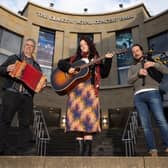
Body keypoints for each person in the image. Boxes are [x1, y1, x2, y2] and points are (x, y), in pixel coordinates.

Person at [57, 36, 113, 156]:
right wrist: (69, 68)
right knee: (78, 124)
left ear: (90, 45)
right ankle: (79, 157)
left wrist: (108, 60)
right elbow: (60, 63)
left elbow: (104, 73)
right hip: (75, 93)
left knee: (88, 124)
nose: (82, 46)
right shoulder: (74, 59)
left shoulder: (96, 59)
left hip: (90, 92)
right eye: (80, 44)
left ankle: (86, 157)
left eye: (85, 44)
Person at [0, 38, 45, 155]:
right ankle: (1, 148)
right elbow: (1, 69)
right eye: (27, 45)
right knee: (5, 120)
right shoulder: (14, 58)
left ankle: (21, 151)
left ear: (33, 49)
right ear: (24, 46)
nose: (29, 47)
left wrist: (42, 84)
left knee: (25, 124)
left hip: (27, 97)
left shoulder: (36, 66)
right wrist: (6, 69)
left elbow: (40, 81)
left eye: (31, 46)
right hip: (12, 93)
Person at [128, 44, 168, 156]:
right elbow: (129, 81)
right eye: (133, 51)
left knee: (161, 120)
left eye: (137, 50)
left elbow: (165, 70)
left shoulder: (151, 60)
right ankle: (152, 149)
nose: (135, 52)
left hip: (153, 92)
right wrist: (138, 73)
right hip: (138, 96)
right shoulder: (132, 67)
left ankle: (167, 146)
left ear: (141, 51)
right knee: (146, 125)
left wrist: (154, 64)